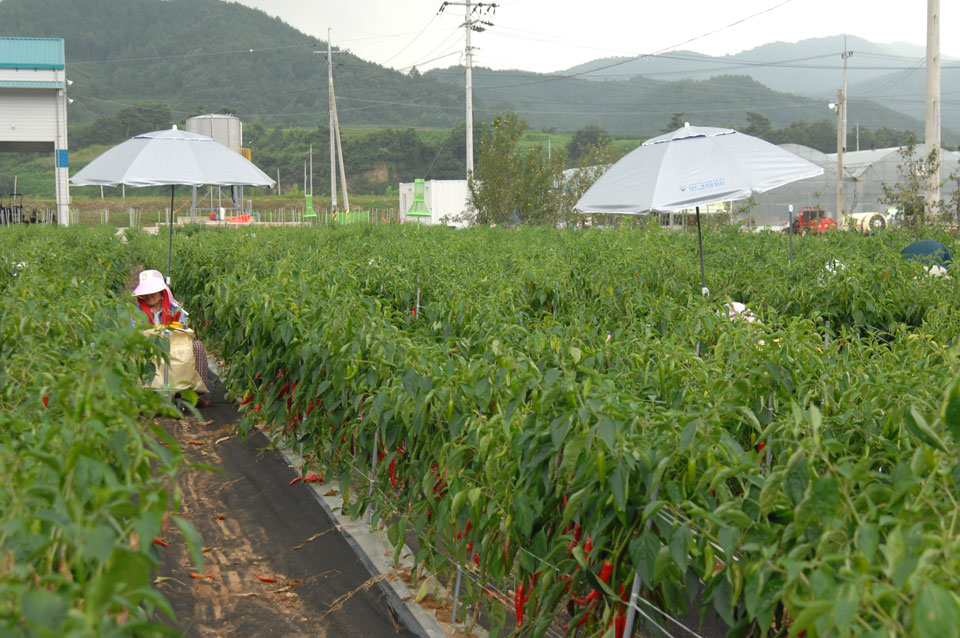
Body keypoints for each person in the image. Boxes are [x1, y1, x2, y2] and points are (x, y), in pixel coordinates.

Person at [132, 269, 211, 405]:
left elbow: (183, 332)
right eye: (146, 292)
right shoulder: (137, 312)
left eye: (153, 291)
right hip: (149, 348)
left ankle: (194, 393)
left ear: (161, 292)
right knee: (133, 352)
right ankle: (142, 392)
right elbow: (136, 334)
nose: (149, 295)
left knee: (197, 346)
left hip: (174, 346)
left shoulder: (175, 309)